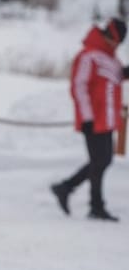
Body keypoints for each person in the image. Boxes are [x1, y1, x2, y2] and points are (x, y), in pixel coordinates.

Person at [51, 17, 126, 222]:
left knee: (101, 160)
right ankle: (88, 201)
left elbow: (113, 78)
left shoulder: (110, 57)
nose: (116, 45)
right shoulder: (88, 55)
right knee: (100, 160)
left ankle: (71, 191)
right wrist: (86, 116)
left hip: (107, 118)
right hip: (93, 118)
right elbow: (79, 86)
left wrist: (124, 73)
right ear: (110, 36)